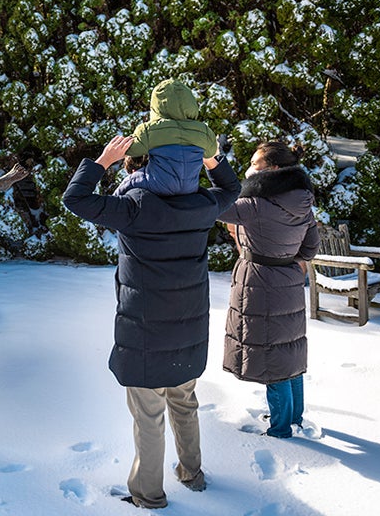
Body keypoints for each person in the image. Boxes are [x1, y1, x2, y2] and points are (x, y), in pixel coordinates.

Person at [62, 135, 240, 509]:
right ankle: (192, 473)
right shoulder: (203, 204)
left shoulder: (133, 208)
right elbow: (232, 187)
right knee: (185, 402)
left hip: (144, 334)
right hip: (188, 331)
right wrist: (212, 157)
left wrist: (103, 160)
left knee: (148, 416)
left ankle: (148, 495)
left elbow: (75, 199)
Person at [218, 141, 320, 439]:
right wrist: (289, 260)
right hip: (288, 280)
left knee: (271, 358)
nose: (250, 169)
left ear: (273, 169)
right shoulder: (302, 201)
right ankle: (295, 416)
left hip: (260, 282)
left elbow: (216, 207)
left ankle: (280, 429)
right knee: (289, 351)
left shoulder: (255, 205)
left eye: (255, 164)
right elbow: (311, 247)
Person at [115, 79, 217, 197]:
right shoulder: (204, 131)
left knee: (129, 181)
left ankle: (111, 209)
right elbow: (211, 152)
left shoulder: (149, 130)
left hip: (159, 184)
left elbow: (131, 150)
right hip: (190, 188)